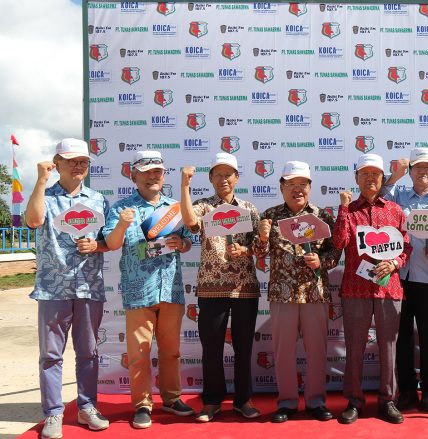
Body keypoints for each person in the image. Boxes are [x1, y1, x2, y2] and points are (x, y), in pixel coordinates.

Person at [25, 139, 111, 439]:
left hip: (89, 286)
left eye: (83, 161)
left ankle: (87, 407)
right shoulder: (45, 196)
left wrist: (96, 245)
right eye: (72, 160)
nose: (78, 166)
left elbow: (109, 241)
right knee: (51, 355)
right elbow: (33, 220)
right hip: (52, 288)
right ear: (57, 162)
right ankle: (53, 413)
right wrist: (41, 180)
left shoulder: (98, 200)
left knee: (88, 352)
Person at [103, 151, 195, 428]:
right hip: (138, 292)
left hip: (170, 290)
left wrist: (181, 244)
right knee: (138, 355)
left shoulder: (175, 207)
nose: (153, 176)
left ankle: (171, 398)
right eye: (146, 172)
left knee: (171, 352)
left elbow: (188, 242)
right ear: (134, 176)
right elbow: (112, 244)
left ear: (164, 176)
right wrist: (122, 224)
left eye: (157, 171)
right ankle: (142, 405)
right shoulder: (121, 208)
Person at [254, 161, 341, 423]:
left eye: (302, 184)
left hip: (314, 292)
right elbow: (259, 254)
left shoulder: (322, 216)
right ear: (281, 187)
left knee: (317, 350)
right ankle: (287, 402)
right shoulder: (270, 216)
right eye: (291, 184)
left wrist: (321, 261)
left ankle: (316, 401)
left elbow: (335, 252)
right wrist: (262, 238)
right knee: (283, 352)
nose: (297, 189)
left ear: (310, 187)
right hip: (282, 293)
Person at [179, 153, 262, 421]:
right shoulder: (204, 206)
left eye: (228, 174)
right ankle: (212, 401)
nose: (223, 179)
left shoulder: (248, 209)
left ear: (237, 177)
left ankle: (243, 400)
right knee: (212, 348)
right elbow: (190, 223)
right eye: (218, 174)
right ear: (211, 178)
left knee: (244, 347)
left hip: (244, 287)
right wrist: (185, 186)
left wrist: (246, 250)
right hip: (211, 287)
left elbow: (260, 247)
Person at [332, 153, 412, 424]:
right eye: (364, 174)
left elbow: (406, 247)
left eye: (375, 174)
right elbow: (340, 242)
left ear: (382, 178)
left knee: (389, 347)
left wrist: (394, 263)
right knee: (354, 346)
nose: (370, 178)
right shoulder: (349, 210)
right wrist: (343, 209)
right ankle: (354, 401)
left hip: (389, 288)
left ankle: (388, 400)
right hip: (356, 288)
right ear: (356, 178)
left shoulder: (395, 210)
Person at [381, 148, 428, 412]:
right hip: (398, 275)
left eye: (427, 167)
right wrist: (394, 175)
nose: (423, 171)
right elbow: (380, 196)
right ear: (410, 171)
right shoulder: (397, 196)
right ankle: (407, 390)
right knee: (402, 337)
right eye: (417, 167)